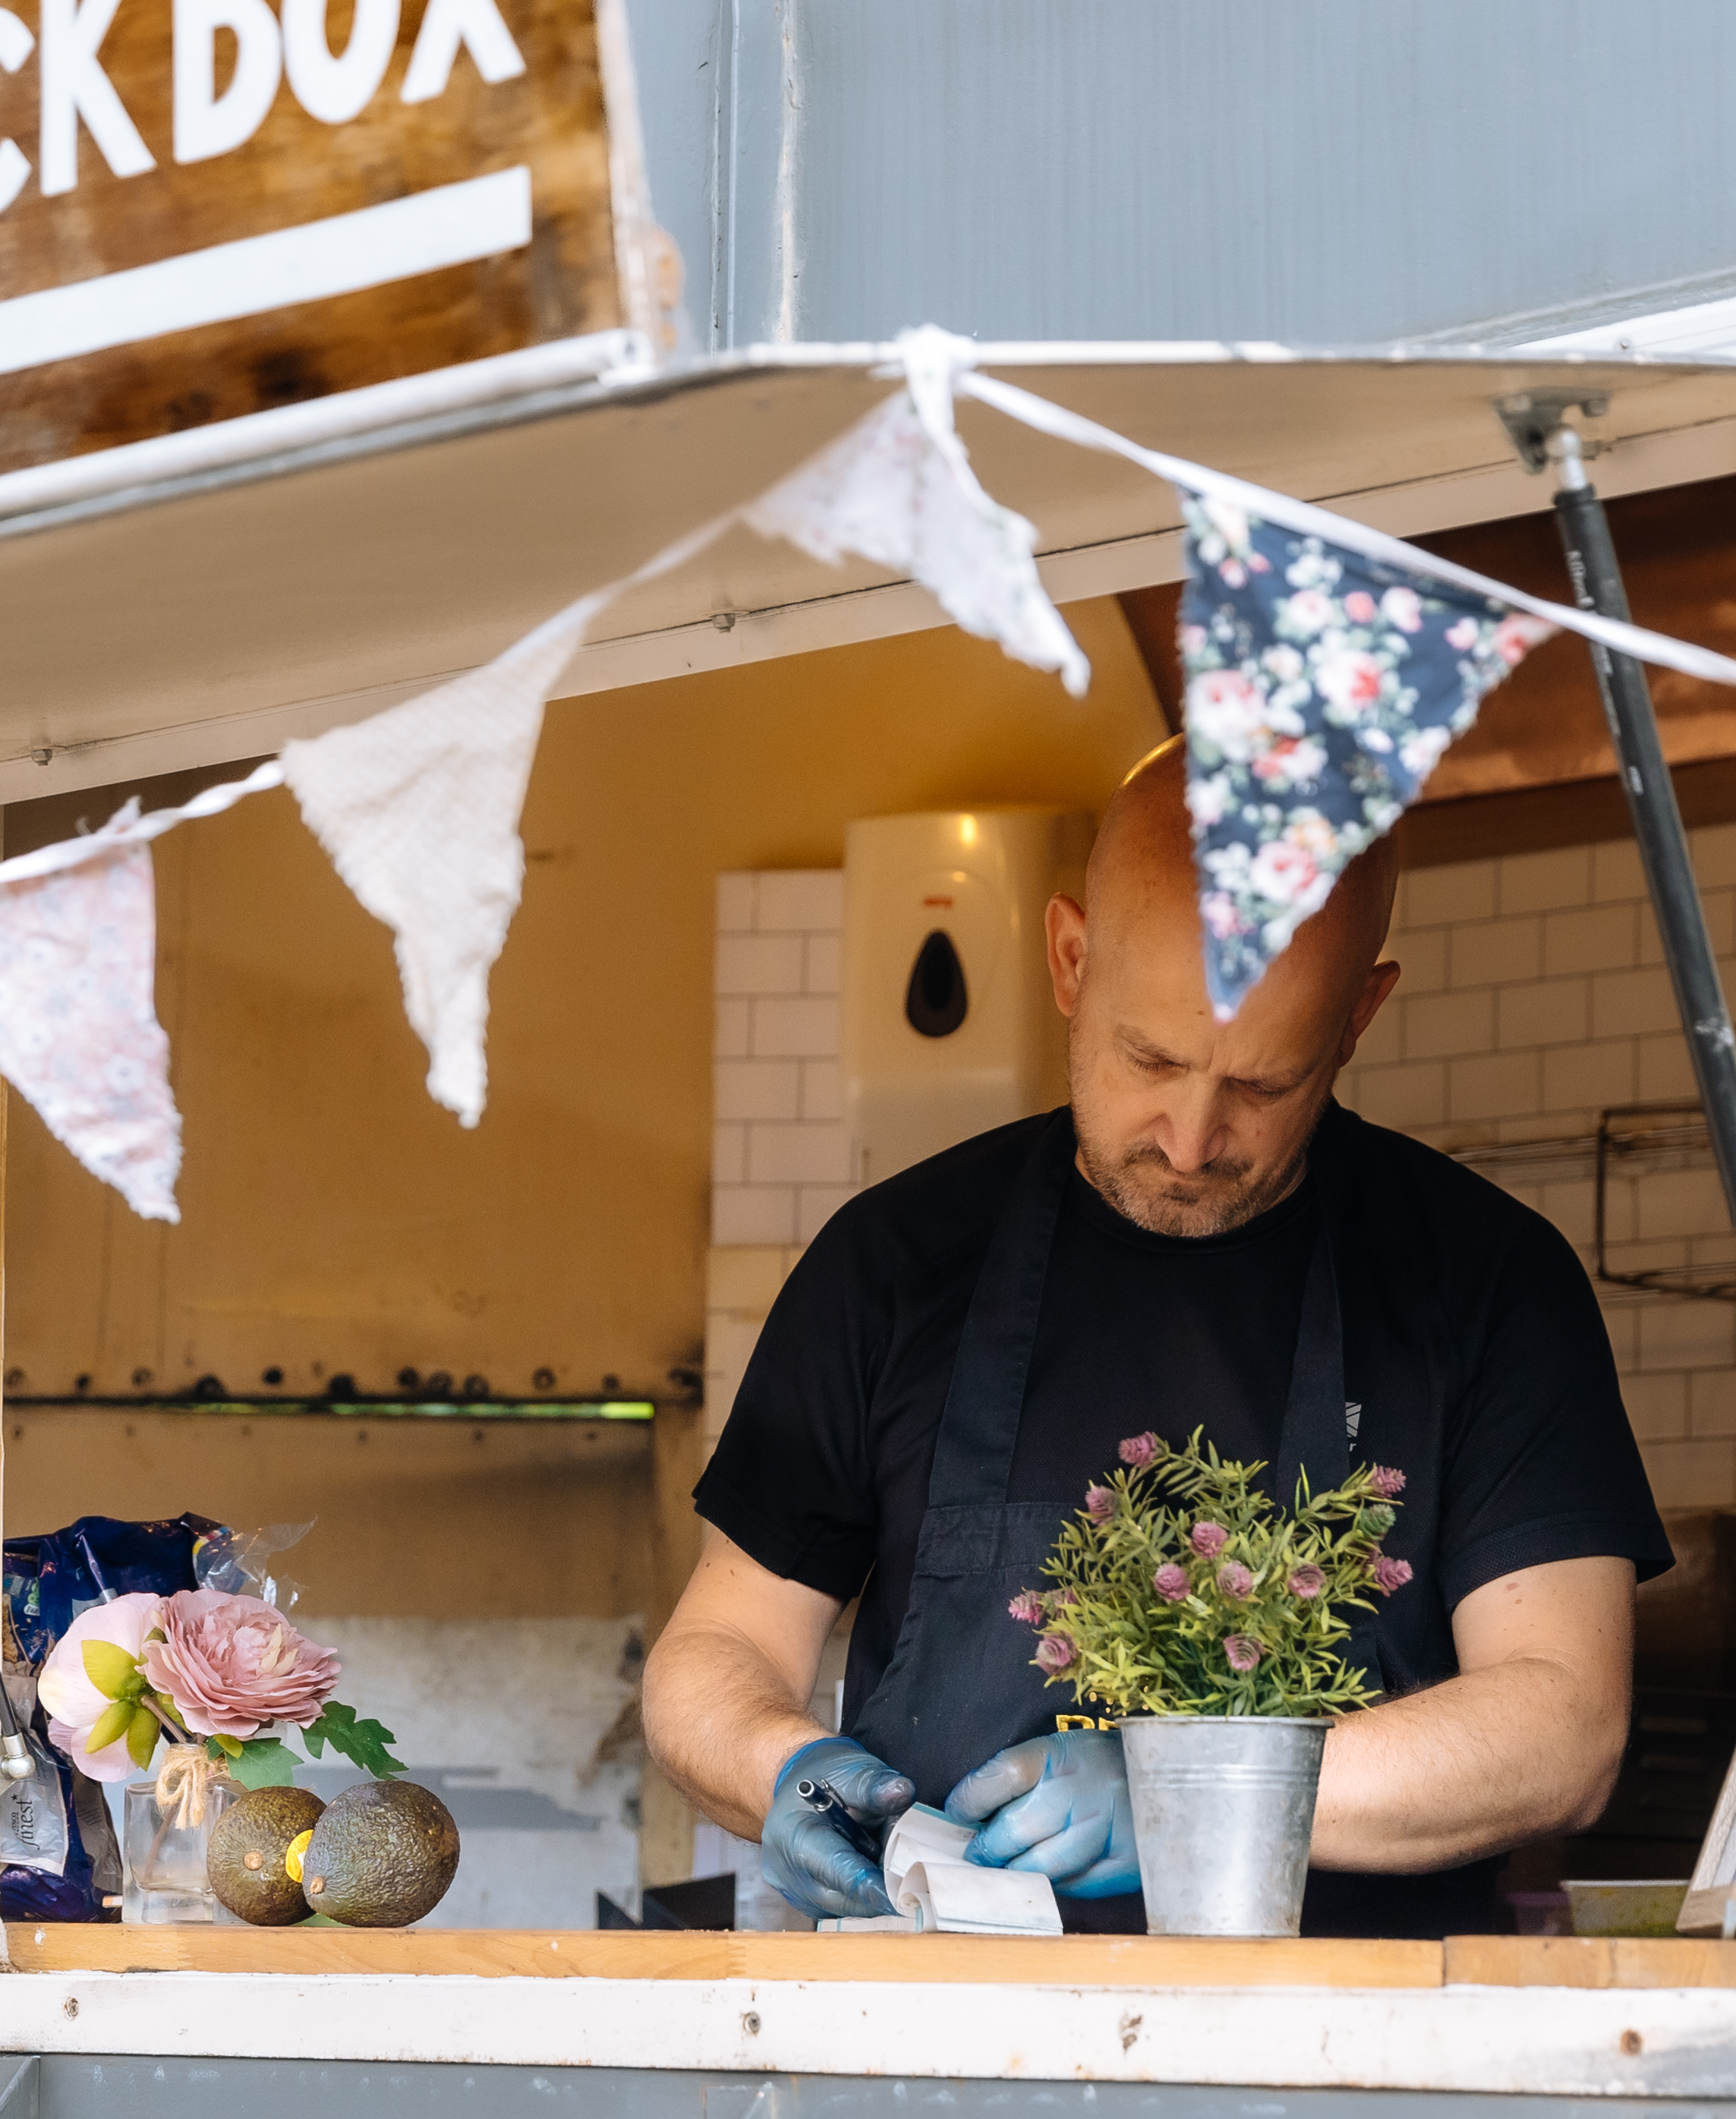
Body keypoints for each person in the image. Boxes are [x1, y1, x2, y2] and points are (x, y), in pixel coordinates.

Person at [644, 739, 1671, 1935]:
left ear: (1359, 1017)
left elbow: (1563, 1722)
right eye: (1153, 1059)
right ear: (1071, 959)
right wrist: (780, 1764)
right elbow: (717, 1642)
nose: (1191, 1138)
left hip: (1344, 2065)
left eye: (1266, 1082)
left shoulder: (1489, 1281)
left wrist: (1205, 1794)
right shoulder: (893, 1261)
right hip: (943, 2057)